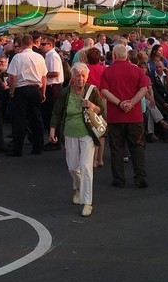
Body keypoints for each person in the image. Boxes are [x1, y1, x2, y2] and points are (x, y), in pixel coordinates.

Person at [48, 62, 106, 217]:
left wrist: (91, 105)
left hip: (87, 133)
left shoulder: (92, 90)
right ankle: (78, 187)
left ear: (87, 76)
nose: (81, 78)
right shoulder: (66, 92)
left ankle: (87, 202)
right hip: (69, 132)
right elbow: (57, 111)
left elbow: (101, 110)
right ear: (72, 77)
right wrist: (52, 128)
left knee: (86, 167)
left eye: (83, 75)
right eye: (78, 75)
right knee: (73, 167)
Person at [99, 45, 150, 189]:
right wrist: (132, 102)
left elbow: (104, 91)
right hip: (134, 116)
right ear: (126, 55)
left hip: (115, 116)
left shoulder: (108, 71)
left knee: (117, 149)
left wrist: (119, 103)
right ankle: (140, 177)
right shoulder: (137, 70)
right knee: (137, 147)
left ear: (114, 55)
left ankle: (119, 179)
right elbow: (144, 88)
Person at [6, 35, 48, 157]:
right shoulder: (39, 57)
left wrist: (12, 92)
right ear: (32, 43)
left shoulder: (17, 57)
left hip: (21, 89)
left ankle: (17, 149)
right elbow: (44, 77)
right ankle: (38, 146)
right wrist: (43, 92)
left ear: (22, 44)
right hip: (35, 89)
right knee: (36, 118)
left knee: (20, 119)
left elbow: (12, 77)